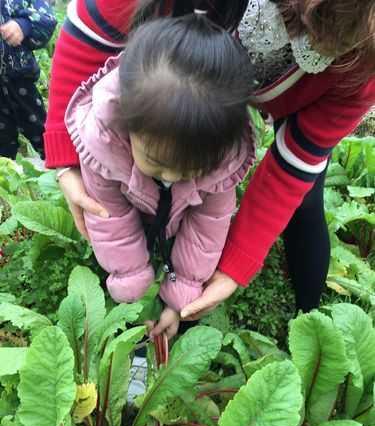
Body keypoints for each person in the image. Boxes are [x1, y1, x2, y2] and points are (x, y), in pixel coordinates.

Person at [44, 0, 375, 337]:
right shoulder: (117, 132)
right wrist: (67, 155)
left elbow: (296, 161)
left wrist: (230, 268)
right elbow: (90, 26)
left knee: (304, 203)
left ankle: (309, 320)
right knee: (148, 188)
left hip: (219, 109)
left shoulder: (363, 60)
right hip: (175, 81)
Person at [64, 14, 255, 338]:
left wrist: (181, 296)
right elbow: (111, 222)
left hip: (178, 217)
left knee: (186, 239)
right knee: (127, 247)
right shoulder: (105, 149)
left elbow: (206, 232)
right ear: (127, 122)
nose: (173, 176)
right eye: (157, 160)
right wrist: (135, 292)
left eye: (190, 168)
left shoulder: (219, 167)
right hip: (132, 204)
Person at [0, 0, 56, 159]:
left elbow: (47, 17)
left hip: (20, 80)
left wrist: (24, 25)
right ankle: (7, 176)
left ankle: (63, 168)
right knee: (3, 146)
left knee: (41, 130)